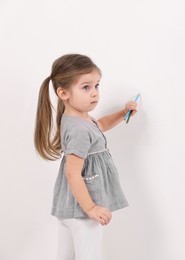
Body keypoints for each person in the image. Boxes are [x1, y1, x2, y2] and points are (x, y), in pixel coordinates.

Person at [34, 54, 138, 260]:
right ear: (63, 93)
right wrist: (91, 208)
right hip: (83, 209)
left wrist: (122, 113)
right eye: (86, 87)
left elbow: (101, 125)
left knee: (65, 256)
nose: (95, 93)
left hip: (70, 207)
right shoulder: (79, 129)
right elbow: (72, 173)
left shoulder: (78, 120)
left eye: (97, 86)